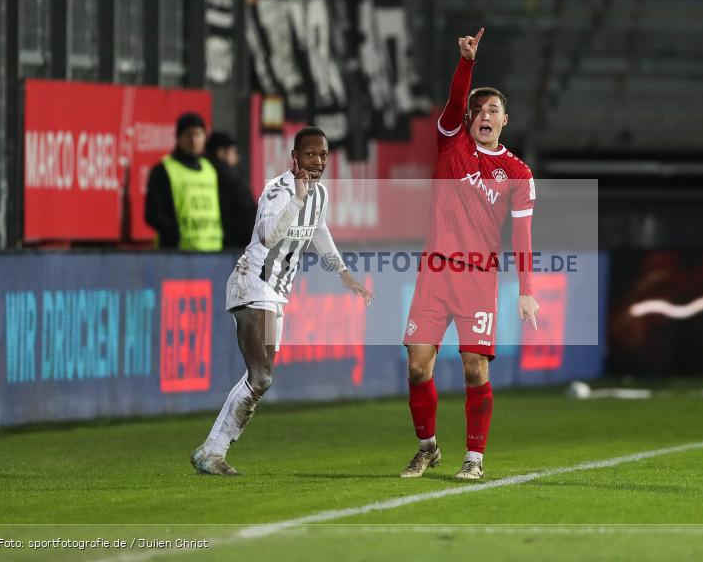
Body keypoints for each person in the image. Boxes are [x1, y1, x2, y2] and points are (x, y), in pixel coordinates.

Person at [191, 126, 373, 476]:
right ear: (294, 157)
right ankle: (212, 452)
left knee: (262, 378)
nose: (318, 161)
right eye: (310, 154)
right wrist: (298, 199)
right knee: (260, 376)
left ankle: (211, 451)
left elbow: (320, 233)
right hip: (252, 284)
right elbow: (267, 234)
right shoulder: (278, 191)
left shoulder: (319, 196)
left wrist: (344, 274)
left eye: (323, 154)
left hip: (276, 295)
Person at [401, 28, 540, 480]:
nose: (483, 114)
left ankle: (474, 458)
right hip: (435, 272)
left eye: (492, 110)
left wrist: (527, 290)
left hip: (478, 278)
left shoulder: (517, 172)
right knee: (418, 366)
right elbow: (456, 95)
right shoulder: (452, 143)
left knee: (474, 368)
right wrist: (467, 63)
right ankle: (427, 447)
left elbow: (523, 236)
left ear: (505, 121)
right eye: (476, 109)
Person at [145, 112, 223, 251]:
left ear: (205, 137)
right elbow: (152, 214)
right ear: (178, 137)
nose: (193, 140)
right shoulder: (164, 170)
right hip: (177, 254)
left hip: (213, 252)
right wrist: (174, 234)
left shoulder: (211, 169)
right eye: (188, 134)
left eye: (198, 134)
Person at [205, 131, 258, 249]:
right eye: (233, 153)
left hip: (206, 245)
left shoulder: (200, 177)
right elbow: (249, 216)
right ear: (221, 153)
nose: (237, 158)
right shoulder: (232, 180)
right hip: (234, 249)